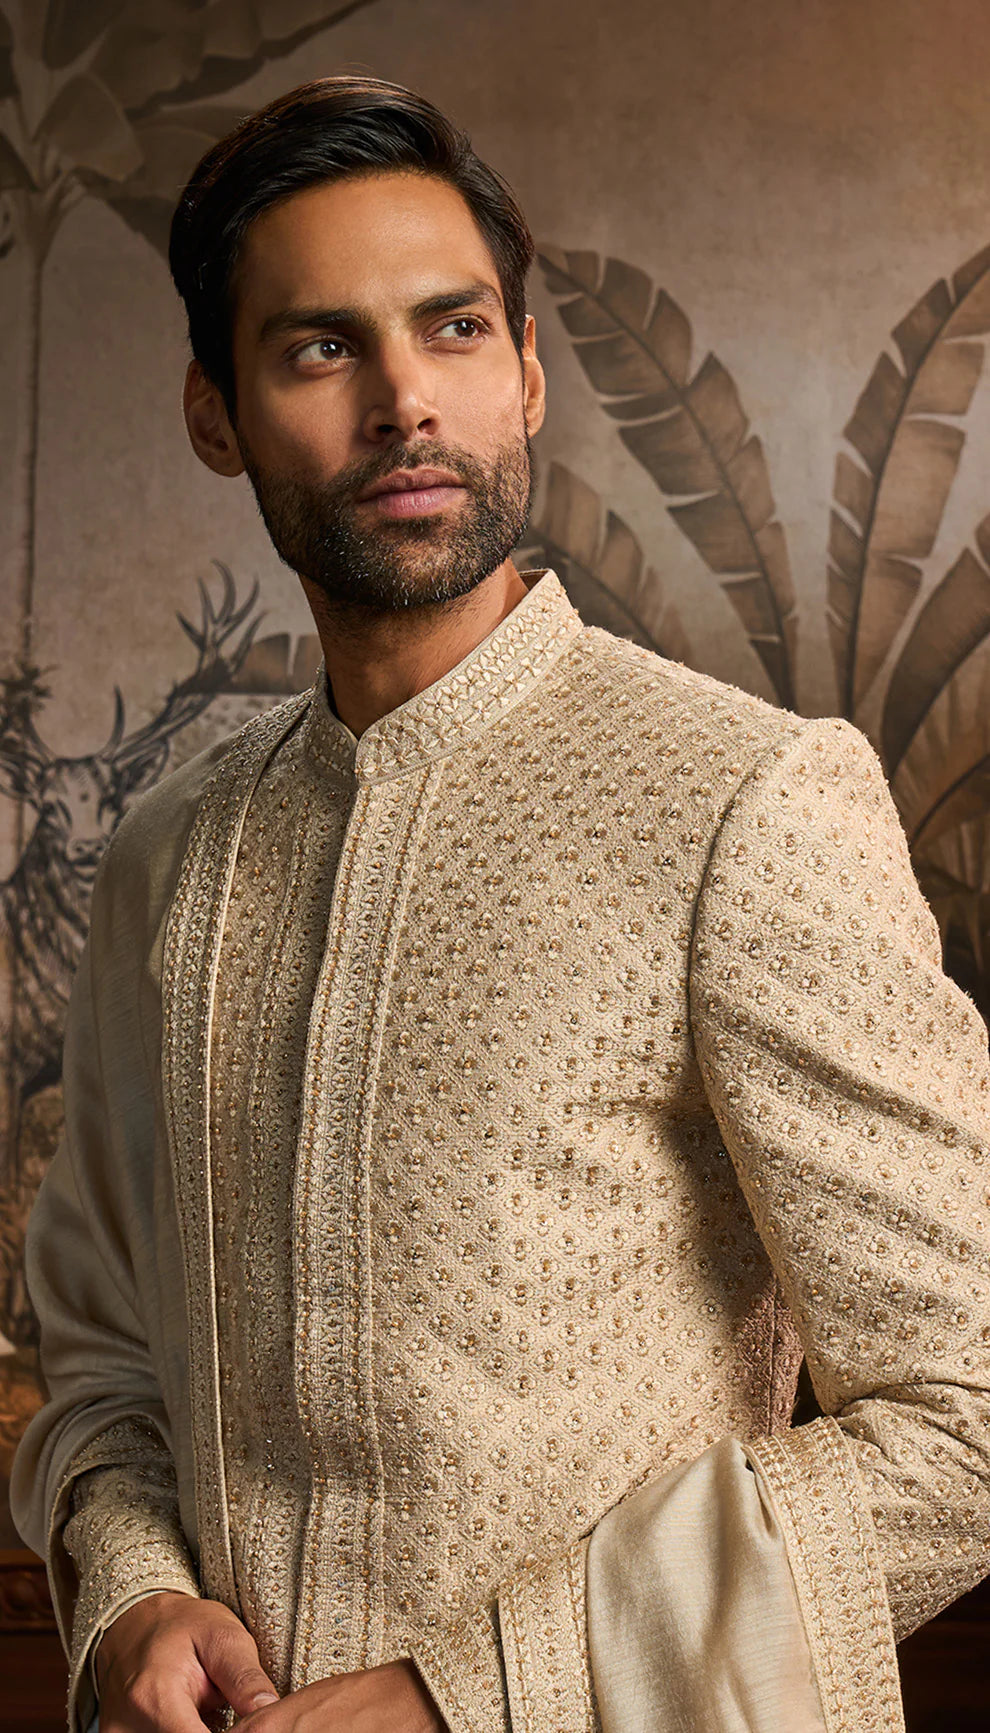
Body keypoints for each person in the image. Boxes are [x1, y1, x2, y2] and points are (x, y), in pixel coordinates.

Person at [11, 73, 990, 1733]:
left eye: (453, 329)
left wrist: (456, 1694)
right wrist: (135, 1589)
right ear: (214, 413)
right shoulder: (167, 856)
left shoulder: (743, 802)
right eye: (319, 348)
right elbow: (100, 1355)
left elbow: (964, 1420)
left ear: (526, 372)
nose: (405, 400)